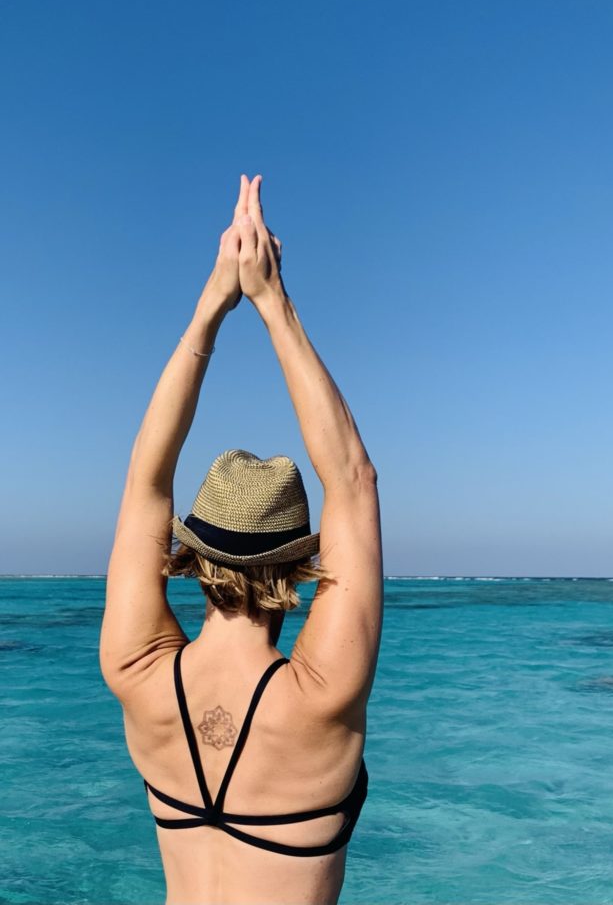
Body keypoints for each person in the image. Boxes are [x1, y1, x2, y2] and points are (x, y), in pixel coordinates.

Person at [99, 174, 383, 905]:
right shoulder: (318, 700)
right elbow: (350, 479)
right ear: (304, 563)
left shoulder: (135, 673)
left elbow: (143, 485)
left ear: (187, 554)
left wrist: (211, 307)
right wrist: (271, 302)